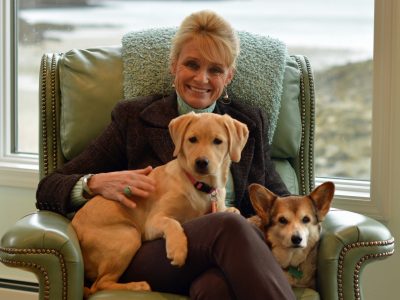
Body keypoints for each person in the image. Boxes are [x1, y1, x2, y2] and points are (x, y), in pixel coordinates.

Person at [36, 10, 296, 300]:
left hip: (224, 258)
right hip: (154, 252)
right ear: (173, 66)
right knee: (230, 223)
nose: (202, 78)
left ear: (229, 76)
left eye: (215, 70)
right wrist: (93, 183)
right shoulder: (133, 117)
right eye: (192, 64)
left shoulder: (247, 122)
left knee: (214, 289)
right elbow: (48, 187)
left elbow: (279, 199)